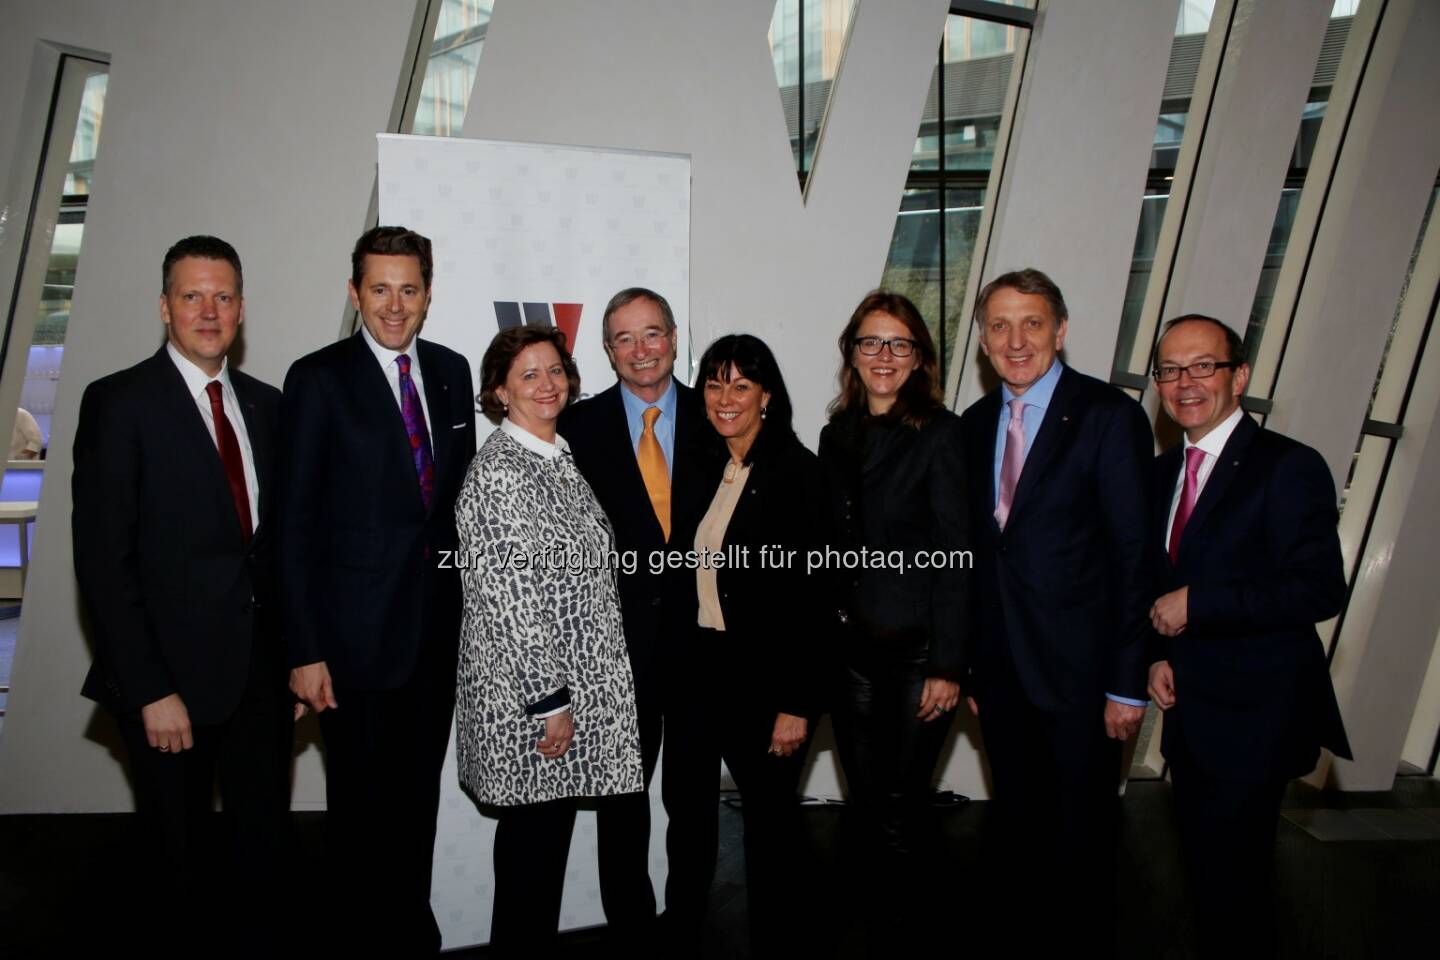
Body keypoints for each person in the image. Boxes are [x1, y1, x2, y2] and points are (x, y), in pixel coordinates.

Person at [73, 235, 290, 949]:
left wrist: (292, 661)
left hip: (260, 682)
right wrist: (147, 689)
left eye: (223, 296)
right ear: (165, 307)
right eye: (192, 296)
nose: (209, 310)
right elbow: (106, 563)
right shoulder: (119, 403)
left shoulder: (266, 405)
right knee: (180, 867)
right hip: (170, 686)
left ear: (242, 311)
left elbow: (277, 548)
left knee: (263, 859)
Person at [279, 225, 477, 954]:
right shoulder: (319, 378)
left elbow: (456, 510)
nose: (395, 305)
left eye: (410, 289)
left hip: (433, 637)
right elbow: (292, 525)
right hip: (351, 646)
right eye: (380, 289)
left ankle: (408, 932)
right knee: (358, 812)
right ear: (355, 291)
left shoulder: (453, 373)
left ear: (428, 293)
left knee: (415, 803)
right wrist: (303, 650)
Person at [957, 267, 1152, 951]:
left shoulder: (1108, 417)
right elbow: (980, 559)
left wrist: (1128, 682)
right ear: (982, 341)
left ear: (1060, 331)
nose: (1016, 341)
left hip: (1085, 680)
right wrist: (977, 669)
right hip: (1004, 679)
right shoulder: (975, 425)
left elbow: (1135, 559)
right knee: (1018, 832)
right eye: (1000, 326)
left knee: (1083, 842)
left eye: (1031, 323)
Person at [1146, 314, 1352, 958]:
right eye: (1171, 370)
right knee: (1209, 881)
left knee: (1237, 888)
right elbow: (1161, 586)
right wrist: (1158, 655)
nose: (1185, 383)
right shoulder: (1162, 475)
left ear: (1240, 375)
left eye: (1203, 366)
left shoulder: (1288, 467)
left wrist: (1200, 604)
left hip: (1258, 715)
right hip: (1194, 717)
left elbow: (1318, 588)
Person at [454, 325, 643, 952]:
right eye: (528, 374)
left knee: (539, 859)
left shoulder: (556, 456)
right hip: (531, 708)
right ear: (499, 393)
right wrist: (549, 702)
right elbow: (510, 603)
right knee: (531, 868)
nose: (546, 383)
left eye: (555, 370)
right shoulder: (500, 473)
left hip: (565, 697)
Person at [662, 333, 828, 956]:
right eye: (713, 383)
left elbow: (816, 600)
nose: (724, 397)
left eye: (740, 384)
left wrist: (798, 702)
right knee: (690, 819)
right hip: (697, 673)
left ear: (766, 395)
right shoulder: (703, 464)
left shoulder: (798, 473)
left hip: (767, 682)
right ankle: (682, 933)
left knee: (771, 828)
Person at [555, 287, 709, 948]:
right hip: (614, 656)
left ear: (675, 337)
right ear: (607, 349)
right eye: (624, 338)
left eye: (652, 334)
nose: (641, 350)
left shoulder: (718, 416)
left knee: (696, 804)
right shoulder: (578, 428)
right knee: (622, 808)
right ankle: (632, 934)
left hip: (704, 649)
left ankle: (687, 926)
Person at [817, 291, 970, 952]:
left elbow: (960, 555)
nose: (883, 356)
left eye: (899, 343)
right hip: (851, 649)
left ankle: (910, 930)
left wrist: (948, 664)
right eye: (870, 342)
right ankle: (871, 922)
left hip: (917, 655)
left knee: (903, 808)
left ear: (919, 358)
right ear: (851, 353)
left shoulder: (940, 432)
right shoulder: (836, 432)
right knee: (867, 801)